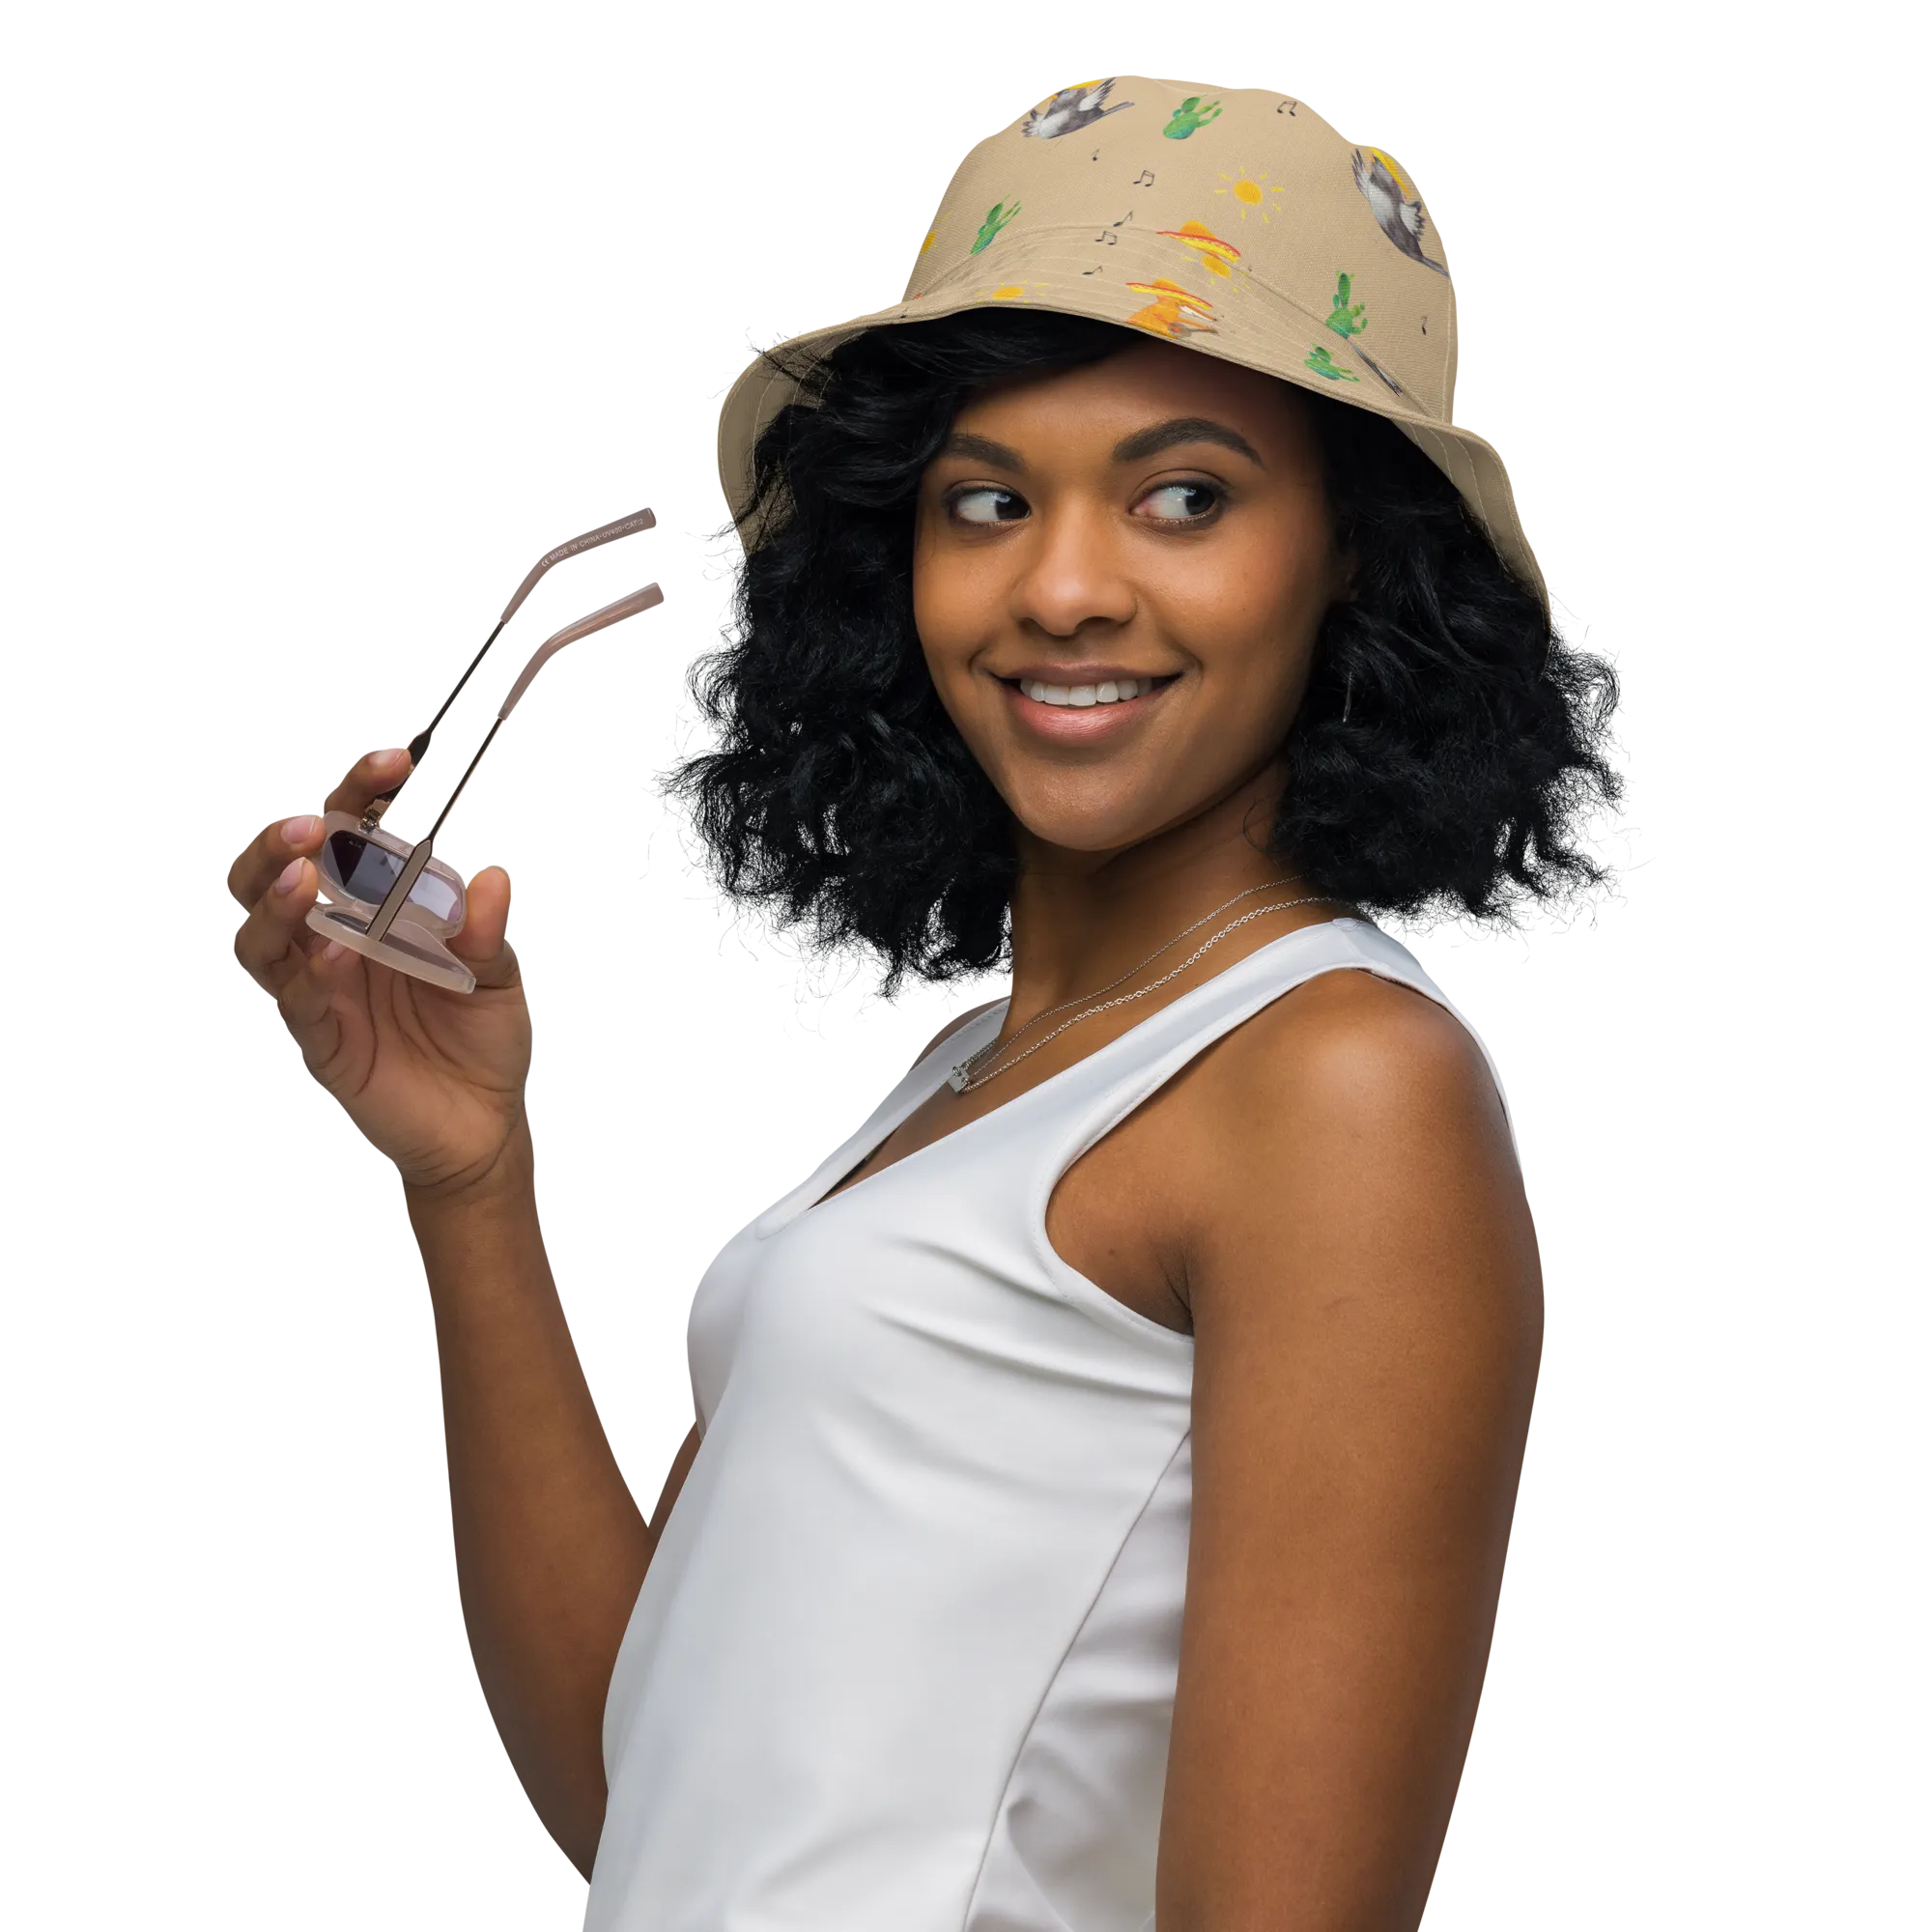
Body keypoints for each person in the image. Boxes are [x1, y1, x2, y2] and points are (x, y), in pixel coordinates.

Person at [227, 76, 1633, 1932]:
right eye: (988, 500)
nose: (1063, 589)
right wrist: (470, 1178)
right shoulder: (977, 1073)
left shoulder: (1340, 1080)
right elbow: (645, 1797)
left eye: (1186, 497)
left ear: (1352, 544)